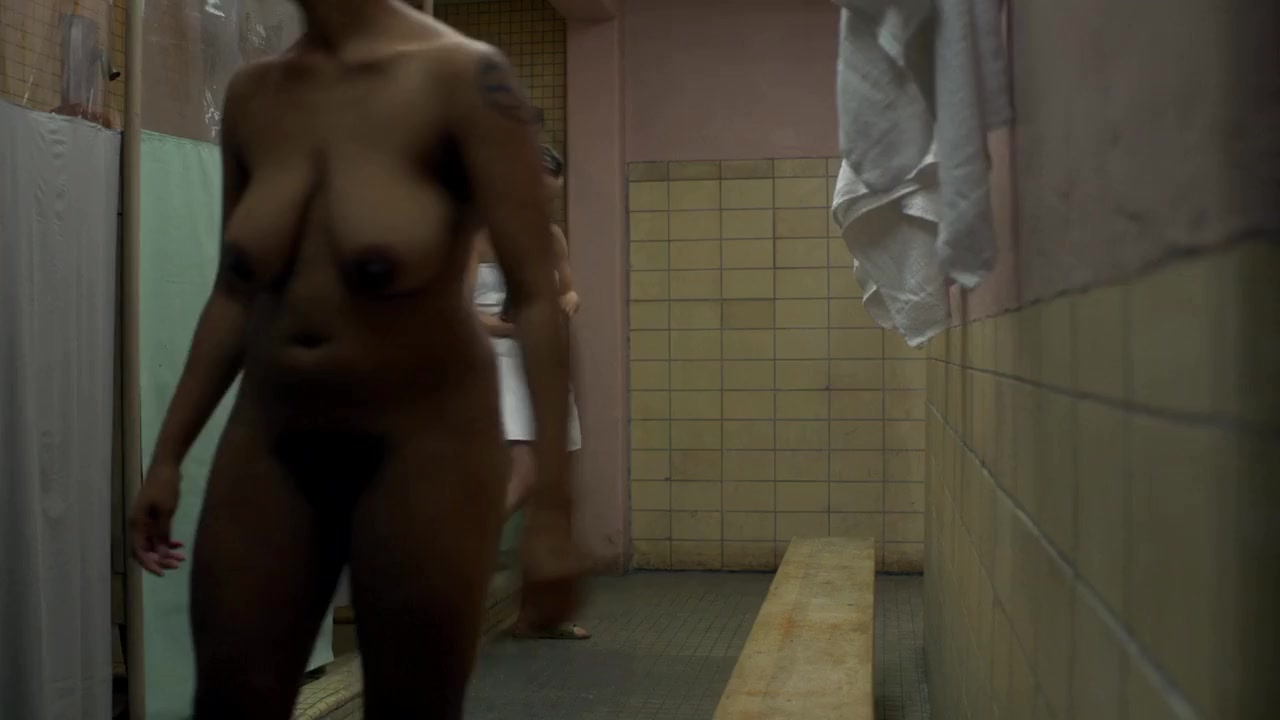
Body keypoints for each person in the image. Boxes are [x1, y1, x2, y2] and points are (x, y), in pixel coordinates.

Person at [126, 1, 583, 717]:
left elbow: (536, 301)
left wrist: (553, 509)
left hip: (421, 444)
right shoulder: (254, 95)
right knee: (230, 695)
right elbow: (235, 292)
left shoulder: (465, 78)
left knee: (411, 702)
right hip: (272, 434)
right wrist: (166, 456)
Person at [468, 145, 589, 640]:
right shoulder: (478, 237)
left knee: (555, 488)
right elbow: (460, 311)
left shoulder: (550, 235)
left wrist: (567, 301)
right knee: (527, 471)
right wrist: (510, 327)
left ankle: (541, 613)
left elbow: (569, 288)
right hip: (500, 359)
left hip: (543, 360)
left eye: (551, 197)